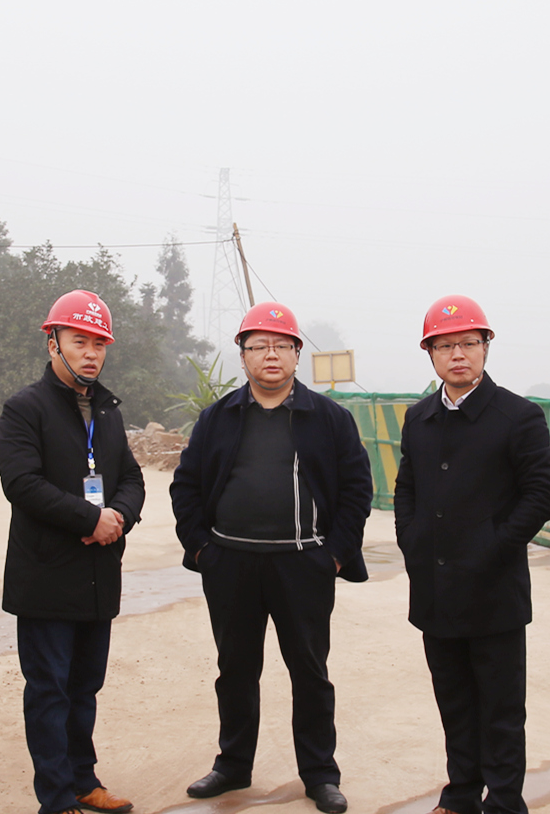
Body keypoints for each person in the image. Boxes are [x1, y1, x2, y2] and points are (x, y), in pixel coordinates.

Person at [170, 302, 373, 814]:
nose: (271, 355)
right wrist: (202, 549)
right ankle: (232, 765)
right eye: (258, 346)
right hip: (230, 564)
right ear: (242, 356)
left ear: (298, 354)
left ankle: (320, 775)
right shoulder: (217, 418)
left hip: (302, 565)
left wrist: (334, 556)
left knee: (310, 671)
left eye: (282, 345)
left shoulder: (329, 418)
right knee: (235, 670)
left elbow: (357, 490)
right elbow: (185, 485)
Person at [392, 295, 550, 814]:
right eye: (445, 346)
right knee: (454, 701)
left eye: (468, 343)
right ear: (430, 353)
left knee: (501, 708)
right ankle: (461, 793)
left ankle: (504, 800)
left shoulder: (518, 416)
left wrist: (495, 546)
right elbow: (406, 488)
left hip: (494, 590)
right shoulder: (419, 419)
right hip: (435, 588)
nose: (458, 355)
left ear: (486, 347)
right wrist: (411, 540)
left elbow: (542, 494)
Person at [0, 290, 146, 814]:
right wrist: (90, 518)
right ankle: (57, 799)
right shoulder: (24, 409)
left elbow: (131, 477)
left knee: (85, 687)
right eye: (79, 341)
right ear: (52, 342)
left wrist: (118, 516)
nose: (91, 353)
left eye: (98, 344)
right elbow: (21, 483)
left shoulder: (107, 411)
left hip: (97, 573)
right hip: (46, 578)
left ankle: (84, 781)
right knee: (50, 690)